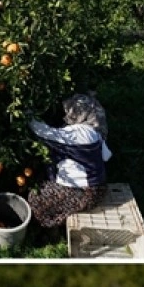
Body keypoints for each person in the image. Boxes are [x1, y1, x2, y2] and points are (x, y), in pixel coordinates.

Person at [26, 92, 112, 230]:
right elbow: (106, 156)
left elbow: (43, 132)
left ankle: (50, 227)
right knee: (45, 185)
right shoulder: (94, 132)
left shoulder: (79, 134)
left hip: (85, 193)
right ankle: (60, 217)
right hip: (98, 189)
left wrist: (27, 113)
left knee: (35, 199)